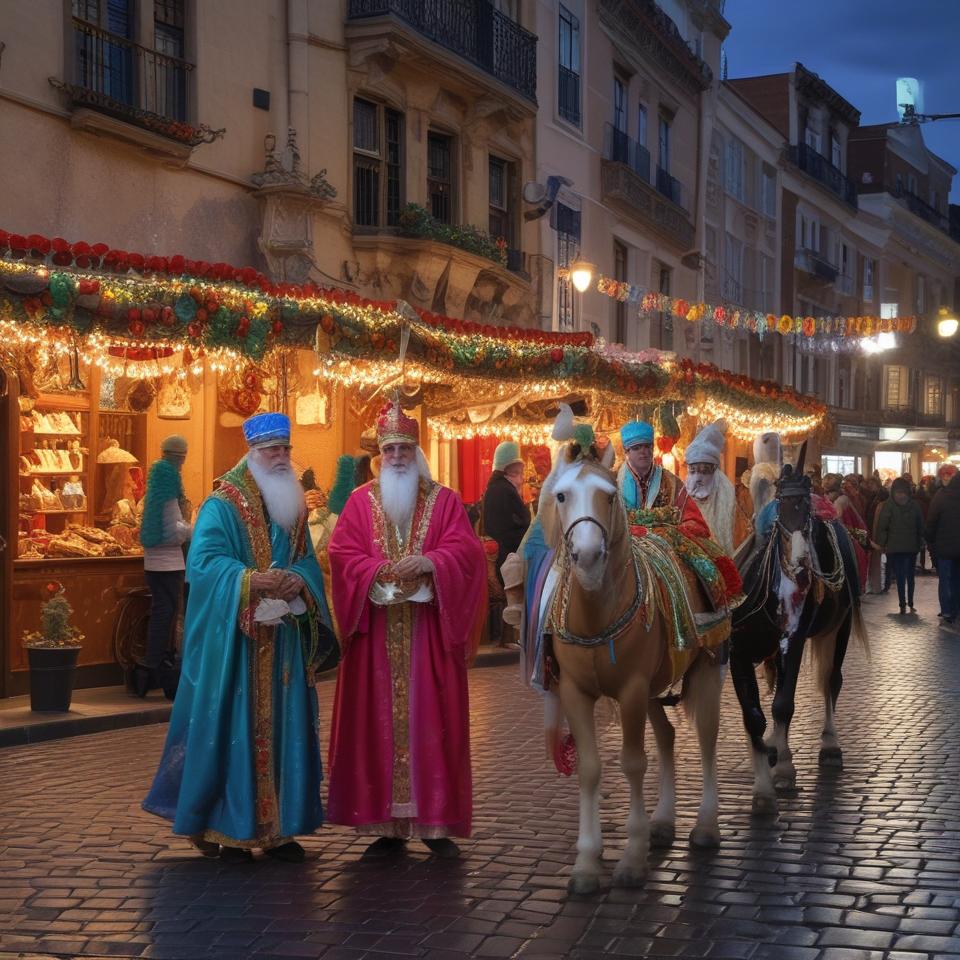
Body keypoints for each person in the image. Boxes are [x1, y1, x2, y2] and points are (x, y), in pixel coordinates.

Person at [143, 412, 335, 863]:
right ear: (252, 453)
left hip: (282, 640)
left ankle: (280, 829)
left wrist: (298, 580)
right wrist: (252, 580)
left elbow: (306, 559)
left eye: (285, 449)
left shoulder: (292, 505)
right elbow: (204, 564)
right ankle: (228, 828)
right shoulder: (221, 503)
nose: (281, 457)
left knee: (286, 726)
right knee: (231, 727)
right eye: (272, 450)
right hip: (236, 645)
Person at [326, 398, 486, 858]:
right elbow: (341, 554)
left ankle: (435, 823)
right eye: (389, 449)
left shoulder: (444, 500)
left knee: (433, 725)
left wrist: (432, 562)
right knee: (374, 727)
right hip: (375, 638)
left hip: (429, 635)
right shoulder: (360, 502)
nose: (396, 457)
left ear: (417, 453)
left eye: (404, 449)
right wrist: (374, 571)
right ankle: (385, 826)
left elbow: (468, 553)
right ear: (380, 455)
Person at [135, 434, 193, 699]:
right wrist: (194, 531)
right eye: (182, 457)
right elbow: (173, 529)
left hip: (154, 561)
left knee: (162, 612)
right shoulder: (168, 480)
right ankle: (156, 666)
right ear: (179, 457)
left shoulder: (156, 482)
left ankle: (152, 666)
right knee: (166, 614)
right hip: (168, 562)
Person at [617, 419, 708, 539]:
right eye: (636, 448)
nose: (643, 452)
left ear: (652, 448)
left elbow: (695, 520)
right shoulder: (614, 482)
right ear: (626, 452)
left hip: (666, 544)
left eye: (647, 446)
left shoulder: (671, 482)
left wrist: (671, 532)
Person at [682, 419, 745, 555]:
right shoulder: (681, 496)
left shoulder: (727, 497)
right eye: (693, 471)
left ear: (715, 471)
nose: (698, 478)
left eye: (704, 471)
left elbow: (739, 542)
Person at [875, 477, 924, 615]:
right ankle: (911, 602)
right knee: (910, 575)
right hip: (912, 546)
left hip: (895, 547)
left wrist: (882, 544)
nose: (901, 495)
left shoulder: (888, 505)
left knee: (900, 576)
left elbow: (882, 527)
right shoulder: (914, 505)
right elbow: (921, 525)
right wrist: (921, 541)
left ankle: (902, 603)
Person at [925, 465, 960, 624]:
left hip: (944, 547)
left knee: (945, 579)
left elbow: (932, 520)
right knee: (957, 579)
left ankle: (946, 610)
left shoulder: (940, 495)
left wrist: (930, 539)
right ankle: (956, 608)